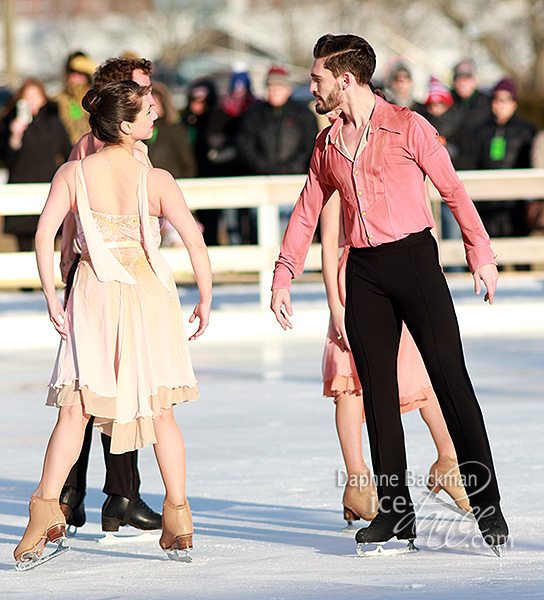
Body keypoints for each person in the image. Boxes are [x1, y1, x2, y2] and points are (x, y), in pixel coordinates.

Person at [270, 33, 508, 553]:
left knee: (449, 379)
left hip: (415, 263)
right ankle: (396, 514)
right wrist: (284, 272)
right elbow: (308, 209)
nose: (311, 85)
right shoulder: (327, 143)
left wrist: (480, 252)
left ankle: (488, 505)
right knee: (376, 393)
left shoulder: (407, 126)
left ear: (345, 79)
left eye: (317, 77)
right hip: (365, 273)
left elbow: (452, 189)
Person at [14, 79, 212, 569]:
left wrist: (49, 295)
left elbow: (43, 237)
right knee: (161, 409)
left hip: (95, 292)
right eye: (148, 110)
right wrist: (205, 298)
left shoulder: (73, 173)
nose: (156, 116)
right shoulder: (157, 178)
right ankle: (179, 516)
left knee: (77, 409)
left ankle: (45, 510)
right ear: (125, 125)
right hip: (148, 293)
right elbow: (194, 241)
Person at [58, 57, 163, 536]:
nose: (151, 101)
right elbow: (70, 211)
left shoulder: (134, 145)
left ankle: (117, 494)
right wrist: (66, 259)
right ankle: (78, 492)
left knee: (118, 384)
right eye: (141, 90)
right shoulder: (95, 146)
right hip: (96, 272)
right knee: (88, 388)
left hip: (125, 272)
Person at [320, 192, 470, 524]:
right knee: (350, 379)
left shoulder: (396, 156)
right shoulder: (336, 165)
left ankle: (449, 460)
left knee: (418, 367)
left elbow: (426, 224)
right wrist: (336, 304)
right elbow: (329, 241)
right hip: (357, 278)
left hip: (404, 271)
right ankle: (358, 480)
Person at [237, 65, 319, 242]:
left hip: (294, 182)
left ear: (287, 89)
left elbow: (310, 146)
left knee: (294, 232)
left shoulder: (302, 115)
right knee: (263, 233)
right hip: (261, 181)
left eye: (278, 87)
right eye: (270, 87)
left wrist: (289, 168)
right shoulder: (253, 115)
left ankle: (296, 269)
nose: (274, 91)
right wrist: (262, 166)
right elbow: (244, 145)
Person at [0, 78, 71, 251]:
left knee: (50, 234)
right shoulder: (10, 121)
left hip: (48, 183)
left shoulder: (53, 121)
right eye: (27, 96)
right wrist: (14, 136)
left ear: (44, 98)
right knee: (24, 239)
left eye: (36, 96)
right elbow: (6, 159)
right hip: (21, 184)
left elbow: (67, 151)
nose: (32, 100)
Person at [472, 77, 536, 238]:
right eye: (497, 99)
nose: (501, 104)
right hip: (487, 206)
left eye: (506, 99)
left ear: (514, 102)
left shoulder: (526, 131)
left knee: (520, 256)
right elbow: (474, 163)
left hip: (516, 207)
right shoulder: (480, 131)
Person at [448, 59, 491, 171]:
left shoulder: (486, 103)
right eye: (459, 79)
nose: (463, 83)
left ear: (474, 80)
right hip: (451, 166)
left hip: (479, 166)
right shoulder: (446, 102)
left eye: (466, 79)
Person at [55, 51, 97, 145]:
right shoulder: (58, 100)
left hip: (92, 151)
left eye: (81, 73)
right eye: (73, 72)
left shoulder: (94, 99)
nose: (76, 77)